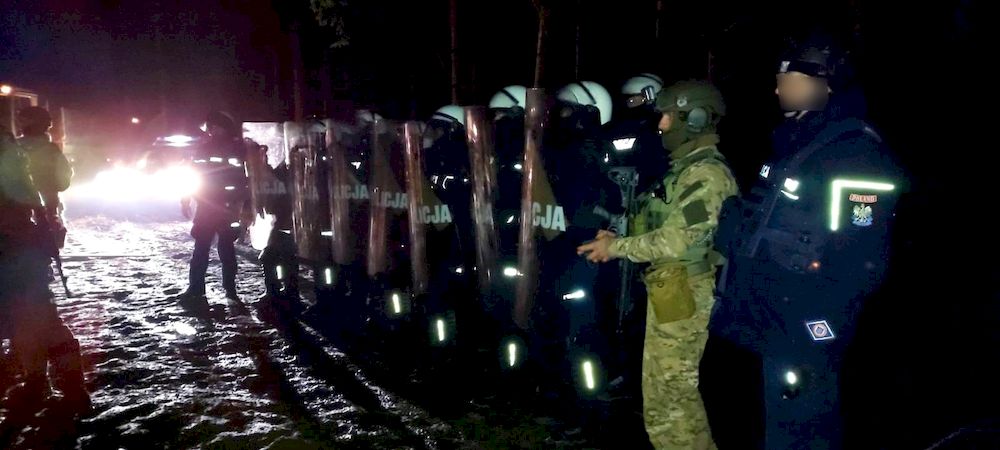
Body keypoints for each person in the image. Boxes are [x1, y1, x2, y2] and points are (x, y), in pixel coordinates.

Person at [702, 35, 904, 449]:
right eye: (779, 81)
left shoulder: (853, 153)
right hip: (777, 317)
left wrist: (820, 318)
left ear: (826, 84)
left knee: (805, 423)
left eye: (789, 81)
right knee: (778, 419)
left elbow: (862, 253)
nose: (778, 91)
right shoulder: (797, 142)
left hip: (807, 321)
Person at [578, 81, 737, 450]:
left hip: (687, 290)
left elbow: (679, 239)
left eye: (668, 117)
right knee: (662, 395)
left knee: (672, 398)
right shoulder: (685, 169)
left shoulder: (706, 175)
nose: (662, 125)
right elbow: (659, 222)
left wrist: (617, 248)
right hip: (671, 287)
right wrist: (617, 235)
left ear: (695, 119)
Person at [1, 123, 90, 412]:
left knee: (36, 319)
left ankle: (65, 386)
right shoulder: (15, 155)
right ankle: (47, 382)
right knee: (28, 320)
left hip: (15, 251)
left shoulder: (10, 158)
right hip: (22, 249)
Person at [180, 111, 248, 302]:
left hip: (225, 207)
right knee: (203, 248)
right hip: (210, 206)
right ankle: (197, 288)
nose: (210, 131)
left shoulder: (237, 148)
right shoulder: (206, 148)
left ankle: (228, 289)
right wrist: (186, 198)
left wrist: (244, 205)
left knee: (224, 249)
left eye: (212, 127)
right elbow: (192, 175)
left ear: (221, 127)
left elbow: (245, 179)